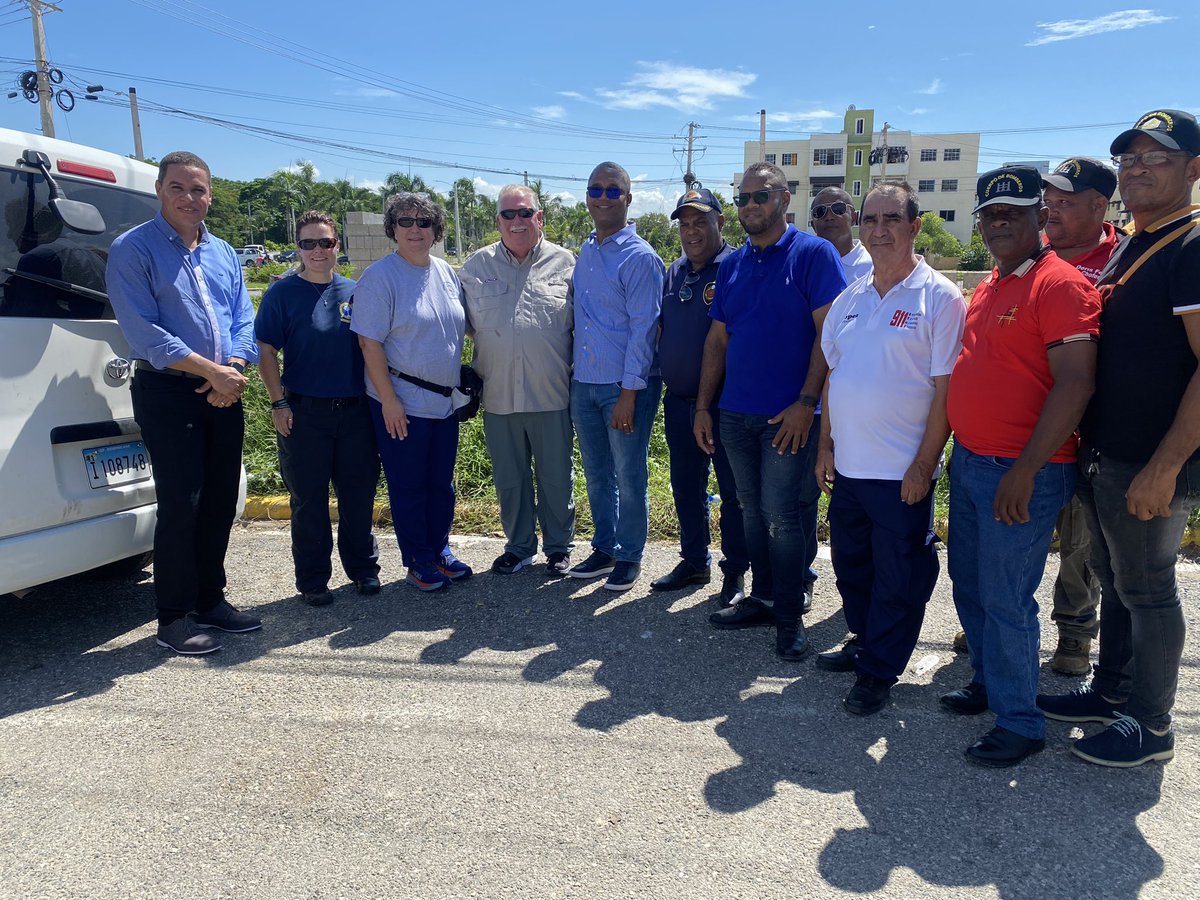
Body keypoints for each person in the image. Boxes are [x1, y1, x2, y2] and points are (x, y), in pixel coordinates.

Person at [1038, 109, 1200, 767]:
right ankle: (1112, 693)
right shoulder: (1138, 241)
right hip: (1108, 451)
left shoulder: (1191, 246)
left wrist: (1165, 465)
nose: (1136, 168)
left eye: (1154, 157)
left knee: (1149, 587)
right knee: (1116, 577)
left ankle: (1152, 727)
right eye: (1129, 158)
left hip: (1150, 458)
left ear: (1193, 169)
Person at [942, 165, 1100, 767]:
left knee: (1008, 596)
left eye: (1015, 210)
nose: (1000, 220)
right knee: (974, 584)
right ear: (981, 223)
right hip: (974, 462)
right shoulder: (992, 283)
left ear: (1042, 217)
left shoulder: (1058, 285)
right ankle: (990, 682)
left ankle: (1021, 721)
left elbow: (1077, 383)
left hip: (1023, 470)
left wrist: (1027, 469)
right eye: (992, 212)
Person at [815, 182, 966, 715]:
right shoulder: (850, 299)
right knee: (853, 568)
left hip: (902, 472)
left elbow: (947, 390)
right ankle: (865, 641)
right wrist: (825, 445)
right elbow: (835, 377)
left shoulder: (940, 298)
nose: (878, 230)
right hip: (850, 469)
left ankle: (879, 671)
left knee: (899, 576)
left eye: (891, 219)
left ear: (914, 226)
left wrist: (925, 464)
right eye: (870, 219)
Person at [107, 151, 261, 655]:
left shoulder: (223, 252)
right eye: (178, 187)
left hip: (224, 390)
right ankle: (173, 616)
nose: (189, 198)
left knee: (218, 499)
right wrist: (211, 371)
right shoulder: (134, 250)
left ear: (210, 194)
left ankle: (210, 601)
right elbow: (144, 331)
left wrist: (232, 369)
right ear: (159, 190)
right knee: (183, 503)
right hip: (168, 391)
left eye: (198, 189)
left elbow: (243, 317)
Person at [695, 162, 846, 660]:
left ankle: (788, 615)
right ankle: (761, 599)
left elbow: (830, 334)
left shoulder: (814, 254)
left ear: (784, 199)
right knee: (750, 512)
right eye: (742, 199)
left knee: (783, 516)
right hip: (735, 415)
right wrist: (703, 408)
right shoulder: (734, 263)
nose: (750, 206)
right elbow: (717, 341)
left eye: (760, 196)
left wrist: (807, 404)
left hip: (789, 418)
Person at [254, 210, 381, 606]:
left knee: (358, 496)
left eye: (325, 242)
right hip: (304, 414)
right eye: (308, 243)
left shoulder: (356, 291)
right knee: (308, 500)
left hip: (356, 412)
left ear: (336, 246)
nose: (317, 251)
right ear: (298, 248)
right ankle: (312, 580)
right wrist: (278, 402)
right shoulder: (282, 293)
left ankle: (363, 570)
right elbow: (266, 352)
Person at [350, 192, 471, 591]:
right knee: (409, 484)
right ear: (392, 229)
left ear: (436, 229)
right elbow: (370, 344)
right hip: (401, 401)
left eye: (423, 222)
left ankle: (439, 549)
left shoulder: (445, 272)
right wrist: (389, 400)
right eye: (405, 221)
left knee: (441, 482)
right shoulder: (380, 277)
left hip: (443, 402)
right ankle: (418, 558)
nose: (415, 229)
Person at [459, 184, 577, 576]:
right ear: (498, 221)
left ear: (539, 217)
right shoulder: (475, 268)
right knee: (510, 480)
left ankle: (559, 547)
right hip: (499, 395)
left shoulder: (567, 264)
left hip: (551, 393)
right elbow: (460, 326)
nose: (517, 221)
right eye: (508, 215)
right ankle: (520, 546)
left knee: (556, 478)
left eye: (525, 213)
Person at [1040, 157, 1122, 675]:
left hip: (1093, 428)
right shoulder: (1036, 254)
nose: (1051, 210)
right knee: (1019, 531)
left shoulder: (1122, 259)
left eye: (1065, 203)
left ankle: (1074, 634)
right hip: (1030, 423)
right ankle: (1007, 616)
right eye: (1049, 201)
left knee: (1081, 541)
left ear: (1099, 206)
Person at [566, 162, 664, 592]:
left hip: (624, 387)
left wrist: (628, 393)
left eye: (612, 190)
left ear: (628, 198)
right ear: (587, 197)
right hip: (584, 382)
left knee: (629, 472)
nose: (602, 197)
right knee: (596, 471)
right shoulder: (586, 251)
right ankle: (604, 547)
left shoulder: (640, 257)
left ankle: (629, 554)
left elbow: (645, 329)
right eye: (595, 189)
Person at [652, 187, 748, 605]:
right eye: (684, 224)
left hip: (724, 405)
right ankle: (694, 560)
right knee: (685, 486)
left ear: (720, 223)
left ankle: (735, 572)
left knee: (732, 493)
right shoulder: (674, 271)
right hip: (679, 402)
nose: (691, 231)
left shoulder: (737, 267)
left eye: (700, 222)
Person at [810, 187, 874, 283]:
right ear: (813, 225)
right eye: (820, 212)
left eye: (838, 209)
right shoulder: (805, 265)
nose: (829, 217)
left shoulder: (873, 267)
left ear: (854, 218)